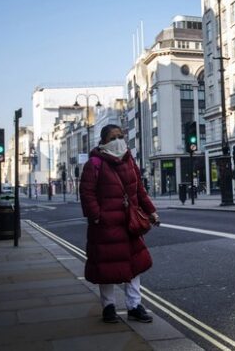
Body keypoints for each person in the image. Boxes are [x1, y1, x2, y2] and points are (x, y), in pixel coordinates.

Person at [80, 124, 160, 324]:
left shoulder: (129, 160)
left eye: (120, 136)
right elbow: (87, 193)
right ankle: (108, 307)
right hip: (106, 226)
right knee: (106, 268)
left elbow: (139, 190)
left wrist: (151, 211)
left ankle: (134, 306)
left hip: (129, 224)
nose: (117, 140)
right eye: (112, 137)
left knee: (134, 266)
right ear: (103, 142)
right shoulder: (95, 163)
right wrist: (97, 216)